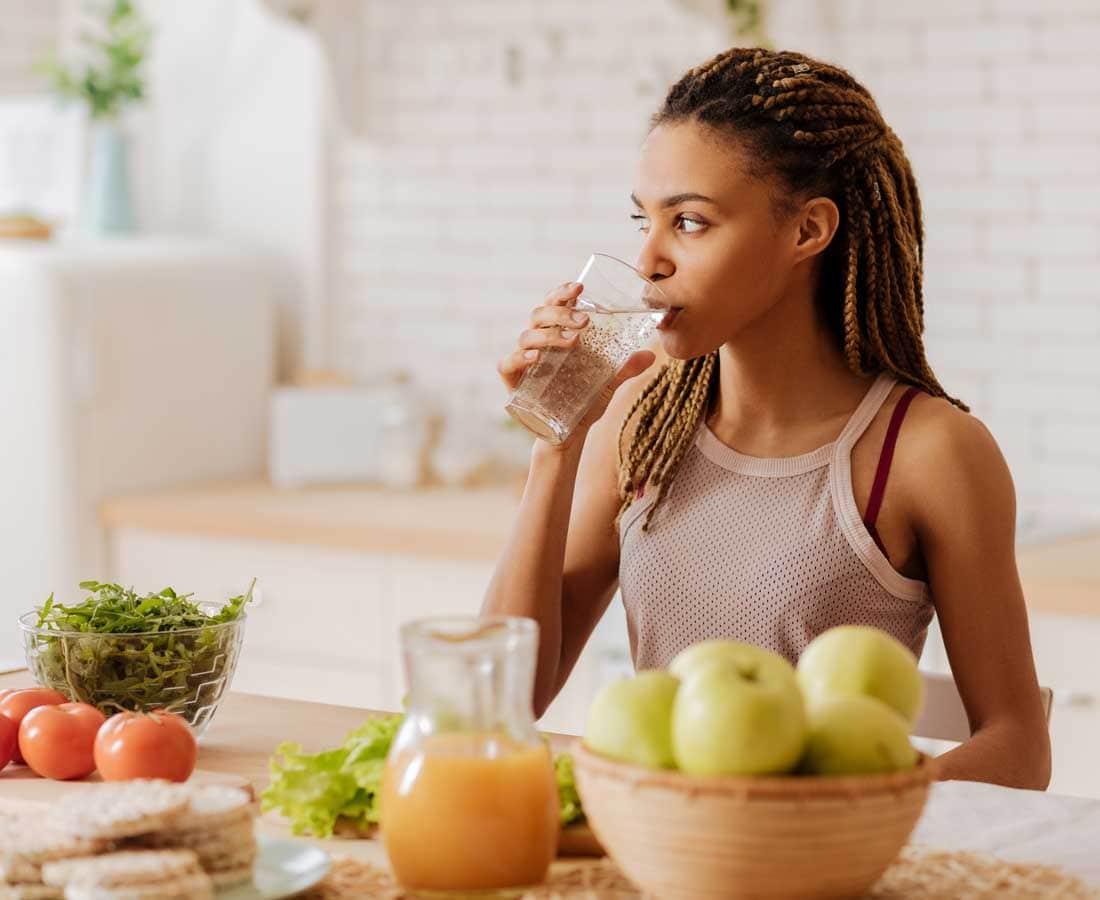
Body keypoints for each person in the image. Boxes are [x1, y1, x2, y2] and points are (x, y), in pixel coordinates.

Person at [483, 47, 1050, 790]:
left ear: (808, 230)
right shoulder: (639, 420)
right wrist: (556, 442)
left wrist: (845, 813)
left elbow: (1017, 746)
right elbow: (500, 703)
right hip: (660, 844)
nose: (648, 259)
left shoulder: (927, 452)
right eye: (643, 219)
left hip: (822, 851)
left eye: (689, 222)